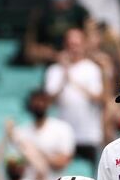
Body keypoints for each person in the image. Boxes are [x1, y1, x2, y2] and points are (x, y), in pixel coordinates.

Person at [44, 28, 104, 165]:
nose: (74, 49)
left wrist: (74, 82)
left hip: (88, 134)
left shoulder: (92, 69)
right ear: (65, 46)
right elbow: (49, 100)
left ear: (83, 46)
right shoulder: (54, 70)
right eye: (70, 45)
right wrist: (64, 76)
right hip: (62, 135)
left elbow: (98, 98)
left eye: (77, 45)